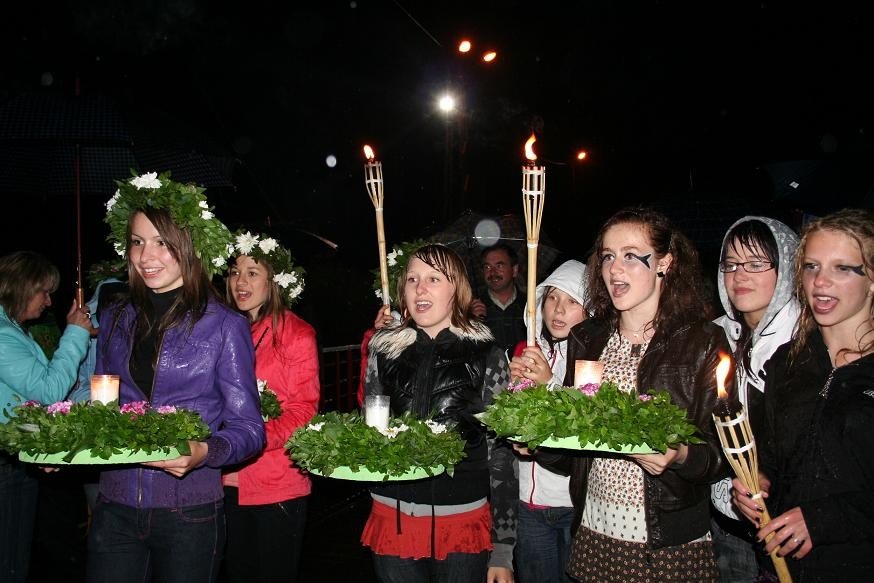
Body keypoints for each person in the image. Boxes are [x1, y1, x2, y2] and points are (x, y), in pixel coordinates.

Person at [88, 173, 266, 583]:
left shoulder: (224, 325)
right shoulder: (114, 316)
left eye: (162, 243)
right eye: (137, 241)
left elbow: (249, 429)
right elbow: (101, 405)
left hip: (190, 511)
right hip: (115, 504)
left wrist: (204, 451)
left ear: (188, 246)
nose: (145, 256)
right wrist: (67, 445)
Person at [538, 207, 730, 582]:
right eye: (608, 256)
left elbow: (725, 452)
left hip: (666, 540)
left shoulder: (702, 342)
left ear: (664, 263)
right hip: (595, 530)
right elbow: (575, 450)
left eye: (630, 255)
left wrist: (680, 455)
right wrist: (539, 438)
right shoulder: (587, 338)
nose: (614, 269)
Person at [732, 208, 874, 581]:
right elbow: (774, 455)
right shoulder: (788, 361)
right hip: (777, 567)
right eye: (811, 267)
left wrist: (822, 519)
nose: (821, 281)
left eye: (842, 268)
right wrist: (757, 482)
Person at [361, 244, 516, 583]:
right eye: (412, 279)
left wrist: (503, 547)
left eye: (434, 279)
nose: (420, 288)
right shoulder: (382, 351)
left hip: (460, 521)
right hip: (392, 516)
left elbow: (502, 454)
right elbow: (369, 429)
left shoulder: (487, 355)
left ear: (457, 289)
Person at [222, 231, 319, 583]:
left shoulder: (296, 334)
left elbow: (303, 411)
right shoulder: (223, 329)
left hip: (276, 481)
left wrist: (251, 438)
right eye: (235, 272)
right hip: (223, 479)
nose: (240, 282)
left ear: (273, 281)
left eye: (252, 273)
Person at [709, 216, 800, 582]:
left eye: (756, 263)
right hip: (728, 521)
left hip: (786, 530)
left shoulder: (803, 345)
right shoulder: (720, 335)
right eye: (731, 264)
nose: (739, 275)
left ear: (787, 267)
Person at [0, 251, 93, 583]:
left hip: (16, 457)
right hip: (5, 465)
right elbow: (49, 390)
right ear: (24, 287)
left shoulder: (13, 329)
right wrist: (76, 333)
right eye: (45, 292)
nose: (49, 301)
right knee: (10, 559)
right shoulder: (3, 335)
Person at [508, 260, 587, 583]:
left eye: (572, 301)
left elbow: (586, 422)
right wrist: (513, 392)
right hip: (529, 503)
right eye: (552, 297)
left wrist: (549, 381)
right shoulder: (530, 351)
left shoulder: (592, 358)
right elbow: (514, 424)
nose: (559, 309)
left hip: (573, 505)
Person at [471, 243, 527, 352]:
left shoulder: (531, 305)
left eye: (499, 266)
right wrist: (472, 323)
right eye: (487, 267)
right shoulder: (472, 308)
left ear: (514, 270)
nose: (492, 272)